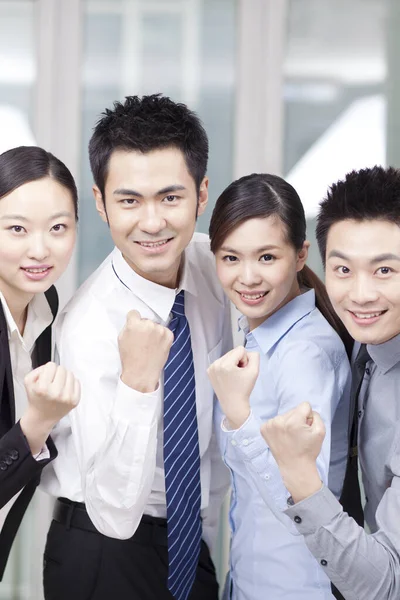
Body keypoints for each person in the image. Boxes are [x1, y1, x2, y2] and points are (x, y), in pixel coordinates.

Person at [40, 94, 232, 600]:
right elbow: (114, 512)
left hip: (190, 541)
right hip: (103, 550)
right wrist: (137, 382)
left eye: (170, 197)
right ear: (101, 204)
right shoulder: (88, 324)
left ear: (202, 193)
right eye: (129, 201)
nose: (152, 223)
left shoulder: (217, 269)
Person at [206, 173, 351, 599]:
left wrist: (239, 414)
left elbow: (306, 508)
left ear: (301, 255)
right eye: (230, 258)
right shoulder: (265, 337)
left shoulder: (303, 354)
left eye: (266, 257)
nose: (247, 277)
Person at [260, 166, 400, 600]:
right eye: (343, 269)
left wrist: (300, 474)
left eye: (384, 271)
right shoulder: (365, 340)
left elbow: (387, 585)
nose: (360, 294)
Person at [0, 146, 80, 580]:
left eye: (58, 228)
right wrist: (38, 422)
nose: (40, 249)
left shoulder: (44, 303)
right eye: (16, 228)